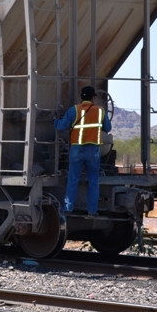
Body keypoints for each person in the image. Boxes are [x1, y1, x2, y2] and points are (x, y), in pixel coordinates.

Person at [54, 86, 112, 215]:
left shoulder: (74, 110)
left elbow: (61, 126)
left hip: (77, 150)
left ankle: (68, 208)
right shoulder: (100, 111)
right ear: (93, 98)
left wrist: (55, 121)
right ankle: (92, 211)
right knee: (93, 181)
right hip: (94, 151)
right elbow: (108, 128)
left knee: (73, 179)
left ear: (81, 97)